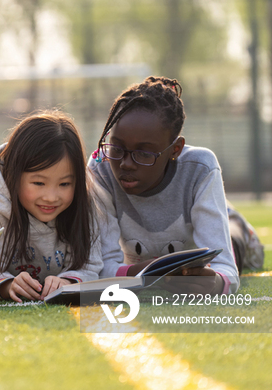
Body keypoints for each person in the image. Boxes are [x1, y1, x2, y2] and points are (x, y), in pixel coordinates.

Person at [90, 76, 244, 295]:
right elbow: (100, 268)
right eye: (116, 148)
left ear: (175, 149)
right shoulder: (100, 169)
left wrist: (217, 282)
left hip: (227, 239)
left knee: (237, 239)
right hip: (147, 260)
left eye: (143, 153)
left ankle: (237, 223)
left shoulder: (200, 168)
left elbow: (225, 267)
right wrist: (153, 272)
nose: (125, 164)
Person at [0, 111, 102, 302]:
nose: (50, 197)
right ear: (13, 175)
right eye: (39, 183)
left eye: (64, 184)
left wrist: (67, 283)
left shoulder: (84, 207)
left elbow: (91, 268)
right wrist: (8, 285)